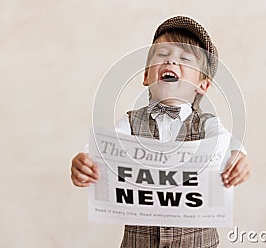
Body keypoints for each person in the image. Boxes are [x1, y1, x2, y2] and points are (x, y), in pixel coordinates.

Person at [70, 16, 251, 248]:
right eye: (162, 54)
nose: (172, 61)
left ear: (202, 86)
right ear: (146, 76)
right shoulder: (131, 122)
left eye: (185, 58)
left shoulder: (207, 124)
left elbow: (229, 143)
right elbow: (103, 147)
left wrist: (239, 158)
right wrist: (84, 162)